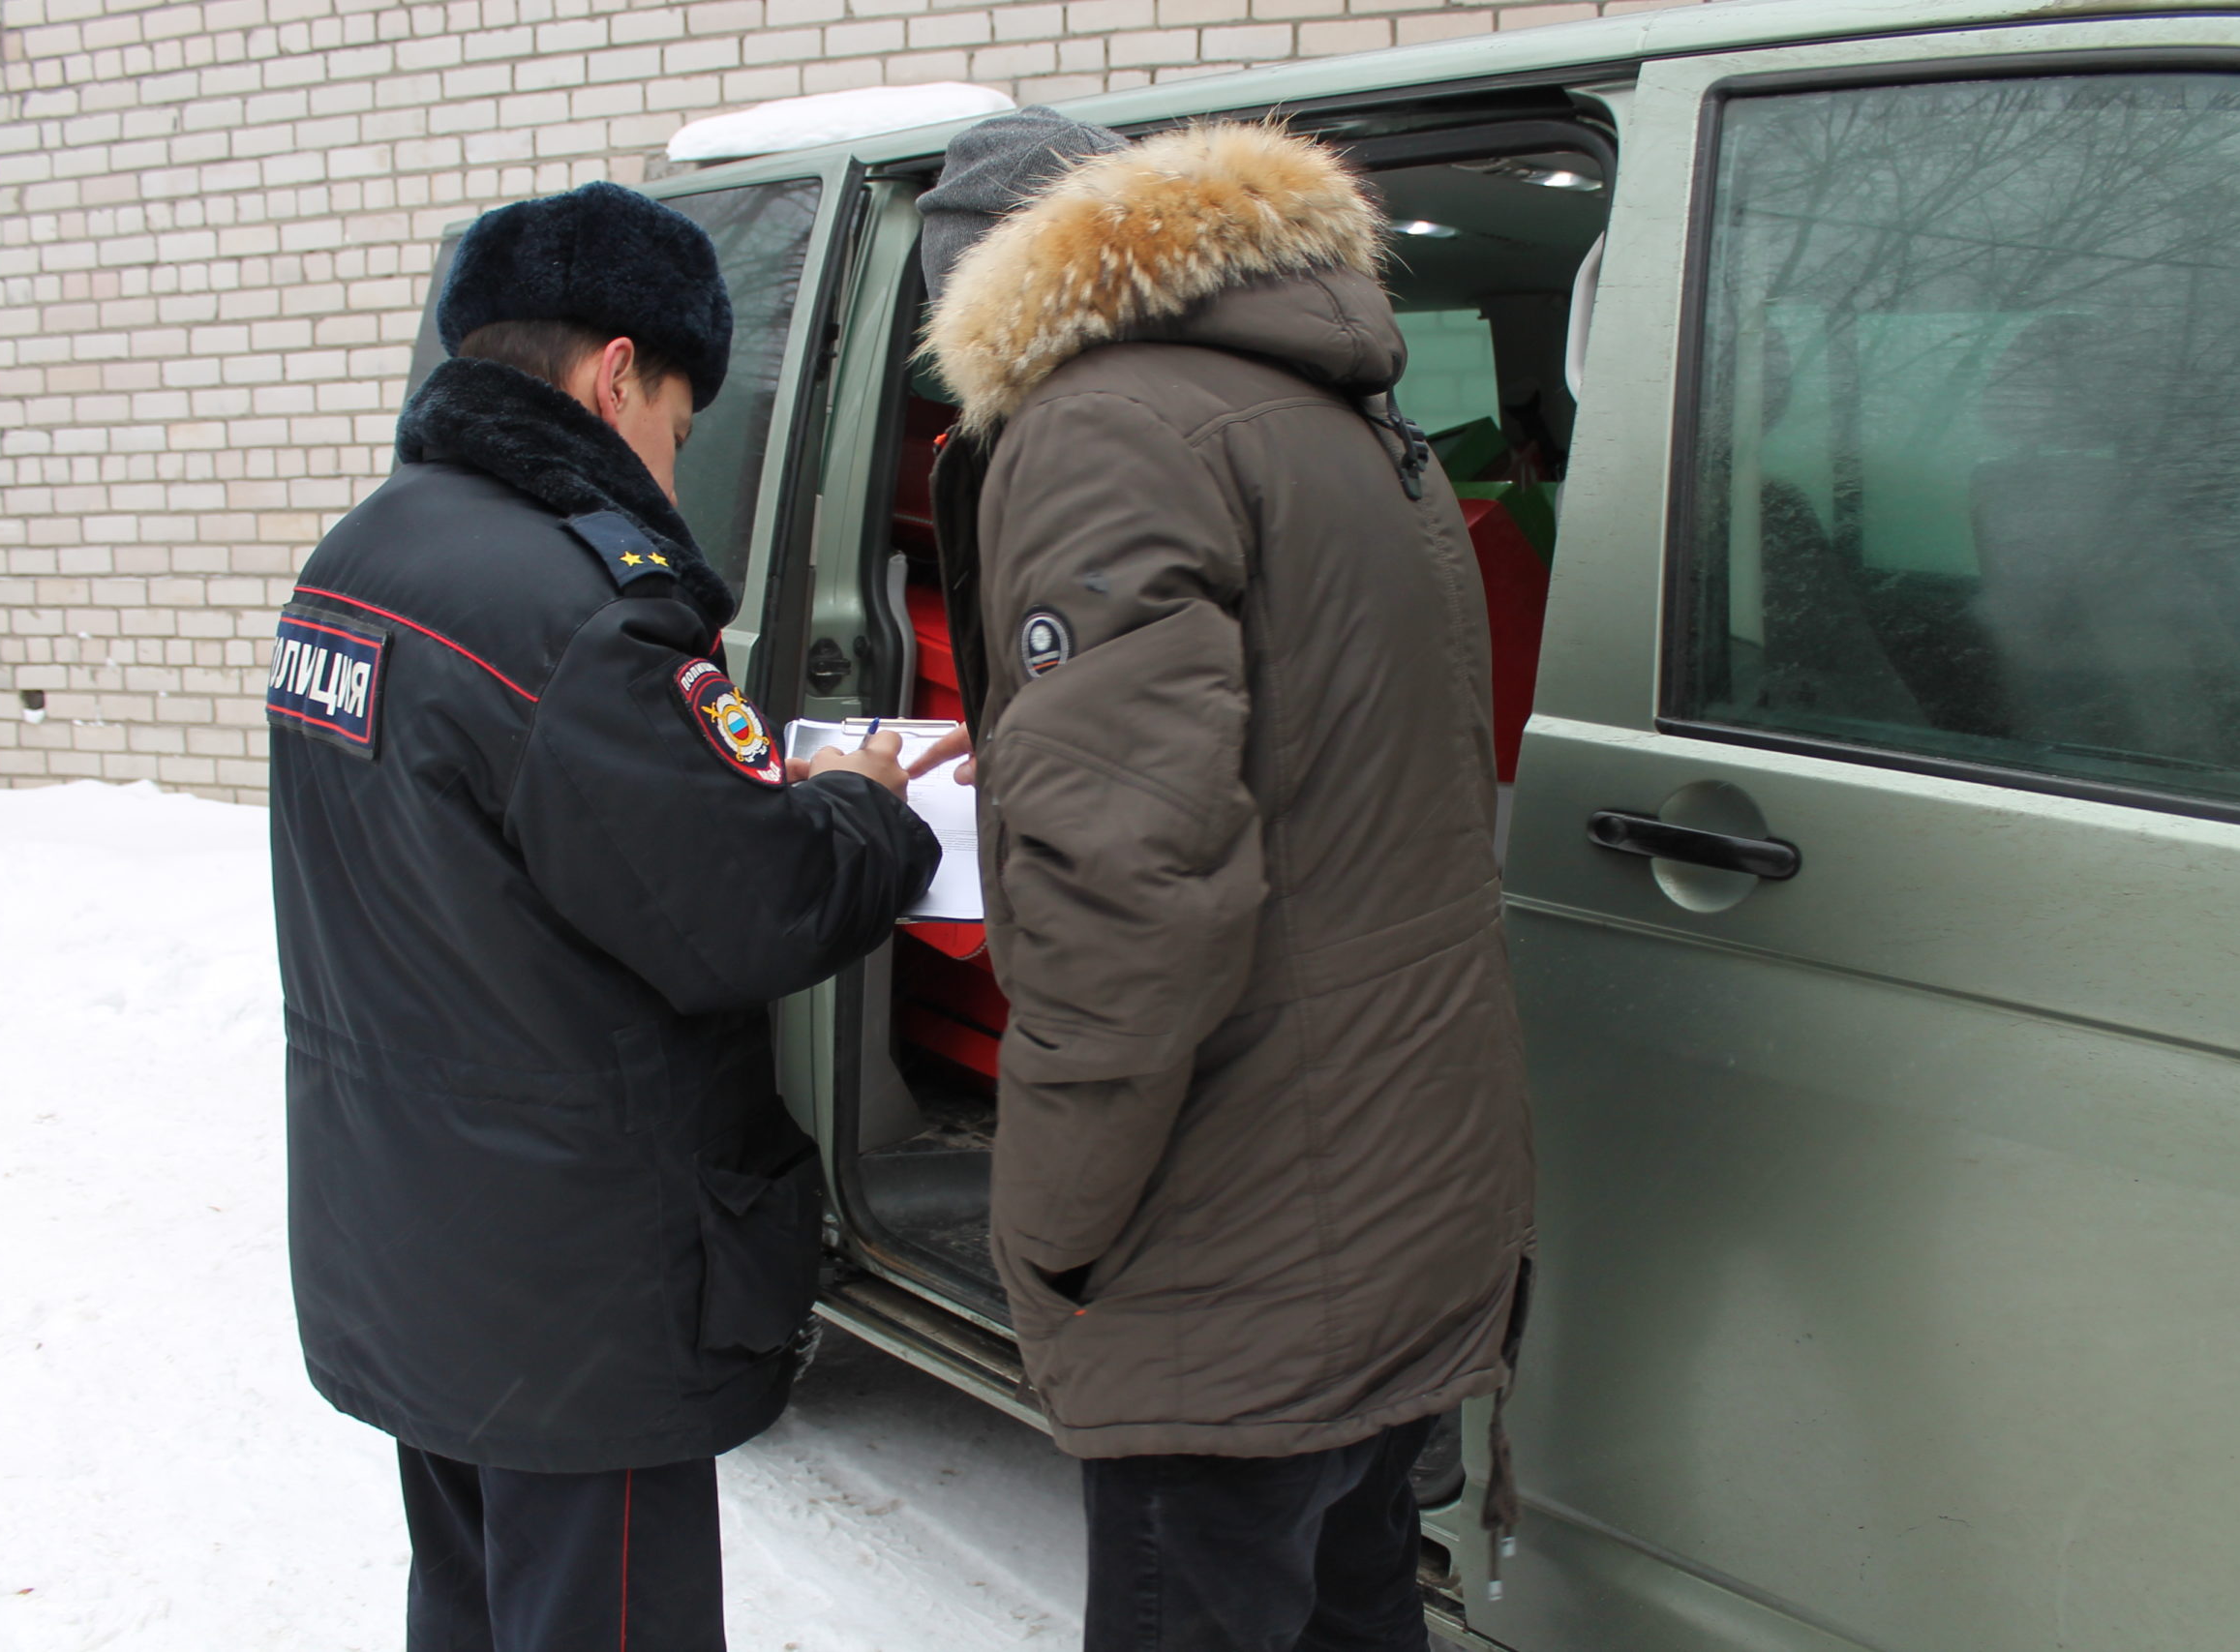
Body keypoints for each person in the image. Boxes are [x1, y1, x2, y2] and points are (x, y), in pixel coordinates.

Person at [267, 180, 940, 1652]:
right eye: (682, 431)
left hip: (423, 1233)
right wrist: (871, 805)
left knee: (475, 1603)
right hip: (576, 1290)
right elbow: (754, 908)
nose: (676, 473)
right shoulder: (580, 610)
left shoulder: (362, 556)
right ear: (615, 372)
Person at [915, 111, 1538, 1651]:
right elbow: (1352, 771)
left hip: (1232, 1223)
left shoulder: (1096, 429)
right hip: (1404, 1173)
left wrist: (1052, 1225)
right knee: (1357, 1602)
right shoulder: (1342, 414)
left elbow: (1131, 894)